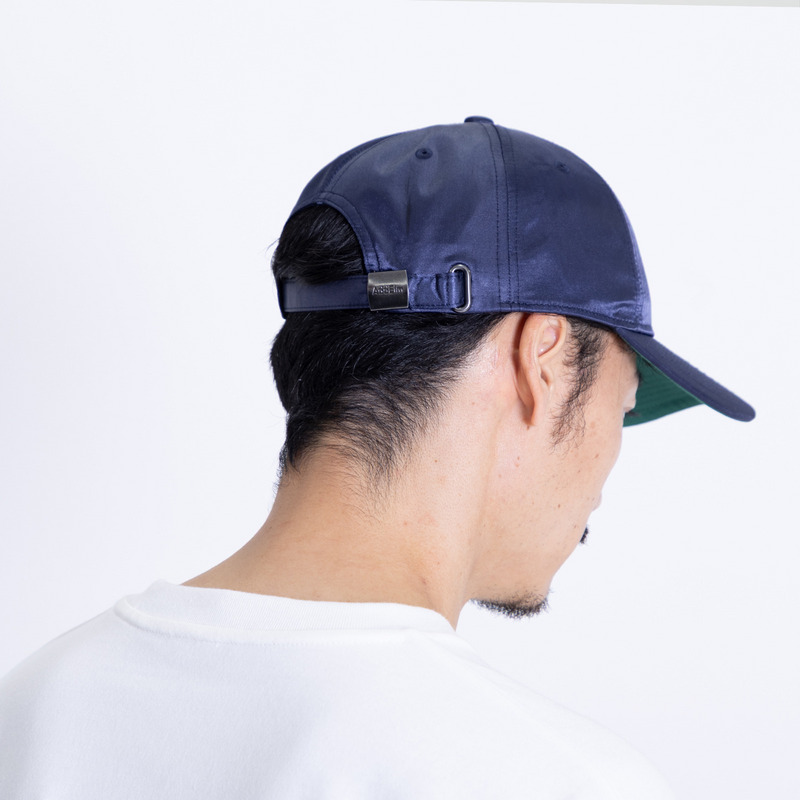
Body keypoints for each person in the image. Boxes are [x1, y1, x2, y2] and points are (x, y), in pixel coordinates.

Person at [0, 117, 753, 798]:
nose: (608, 474)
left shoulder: (38, 708)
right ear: (543, 359)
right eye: (623, 407)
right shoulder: (560, 779)